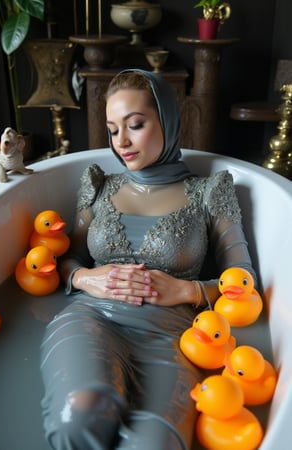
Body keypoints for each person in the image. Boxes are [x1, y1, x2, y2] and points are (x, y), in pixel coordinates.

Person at [40, 69, 256, 450]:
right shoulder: (100, 186)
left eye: (135, 125)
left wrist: (186, 290)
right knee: (82, 413)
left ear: (167, 121)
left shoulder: (209, 192)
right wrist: (87, 279)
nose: (121, 141)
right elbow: (66, 260)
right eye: (112, 129)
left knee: (156, 443)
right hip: (92, 317)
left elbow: (243, 283)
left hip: (172, 333)